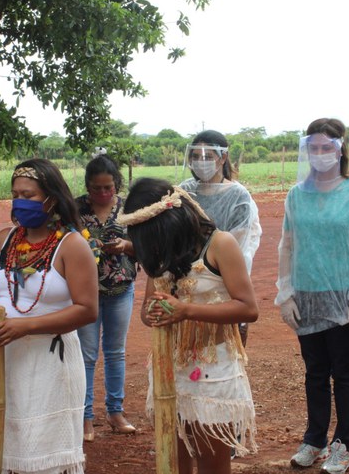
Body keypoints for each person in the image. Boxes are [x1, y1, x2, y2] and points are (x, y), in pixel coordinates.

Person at [119, 177, 258, 474]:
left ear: (170, 223)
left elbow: (248, 308)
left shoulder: (221, 244)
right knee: (172, 455)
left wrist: (187, 311)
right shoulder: (162, 250)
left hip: (212, 367)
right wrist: (154, 313)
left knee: (211, 459)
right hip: (169, 365)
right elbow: (146, 310)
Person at [0, 159, 98, 474]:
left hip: (51, 363)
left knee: (45, 455)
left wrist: (25, 326)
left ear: (51, 199)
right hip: (6, 358)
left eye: (28, 195)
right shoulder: (4, 239)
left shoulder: (72, 245)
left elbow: (87, 309)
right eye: (15, 195)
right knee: (8, 447)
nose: (20, 202)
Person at [275, 118, 349, 474]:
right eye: (314, 148)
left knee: (344, 372)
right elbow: (287, 245)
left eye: (326, 147)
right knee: (315, 371)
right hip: (306, 294)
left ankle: (345, 444)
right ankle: (315, 439)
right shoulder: (297, 194)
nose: (319, 154)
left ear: (340, 149)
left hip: (343, 296)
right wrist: (285, 293)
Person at [75, 154, 138, 441]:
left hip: (121, 289)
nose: (102, 193)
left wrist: (126, 246)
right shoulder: (74, 209)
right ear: (87, 186)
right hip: (84, 292)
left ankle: (115, 412)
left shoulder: (130, 210)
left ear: (117, 185)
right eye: (96, 188)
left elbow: (146, 246)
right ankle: (85, 417)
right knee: (86, 355)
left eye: (108, 188)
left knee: (115, 352)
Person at [179, 130, 261, 346]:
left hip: (225, 282)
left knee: (224, 347)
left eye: (207, 157)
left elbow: (238, 241)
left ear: (223, 158)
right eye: (195, 157)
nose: (201, 162)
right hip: (189, 283)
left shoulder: (238, 195)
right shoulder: (185, 190)